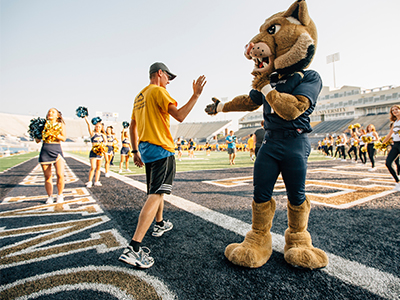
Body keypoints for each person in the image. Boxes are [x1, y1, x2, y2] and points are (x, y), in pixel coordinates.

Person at [119, 62, 206, 268]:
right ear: (160, 73)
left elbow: (133, 126)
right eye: (168, 77)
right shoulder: (158, 91)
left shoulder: (139, 95)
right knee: (156, 193)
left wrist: (134, 151)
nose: (169, 81)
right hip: (161, 148)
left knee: (157, 190)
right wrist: (196, 95)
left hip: (147, 149)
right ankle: (134, 247)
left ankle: (159, 224)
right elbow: (180, 116)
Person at [36, 108, 66, 204]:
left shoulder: (61, 124)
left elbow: (64, 138)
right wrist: (36, 133)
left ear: (57, 115)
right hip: (45, 150)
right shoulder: (43, 125)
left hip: (56, 150)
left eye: (53, 112)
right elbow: (37, 141)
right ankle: (50, 196)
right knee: (47, 176)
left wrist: (53, 133)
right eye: (49, 111)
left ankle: (60, 195)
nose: (50, 113)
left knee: (60, 174)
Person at [84, 116, 106, 187]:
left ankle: (96, 181)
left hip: (100, 153)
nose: (98, 128)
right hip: (93, 152)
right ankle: (90, 181)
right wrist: (86, 118)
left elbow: (106, 142)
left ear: (101, 127)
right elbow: (88, 125)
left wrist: (102, 146)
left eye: (99, 127)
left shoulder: (103, 135)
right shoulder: (93, 134)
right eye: (96, 126)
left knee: (98, 168)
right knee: (93, 167)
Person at [382, 105, 400, 191]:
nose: (395, 111)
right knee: (388, 163)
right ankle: (398, 181)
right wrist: (381, 143)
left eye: (396, 109)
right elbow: (389, 135)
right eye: (393, 110)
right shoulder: (395, 123)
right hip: (396, 144)